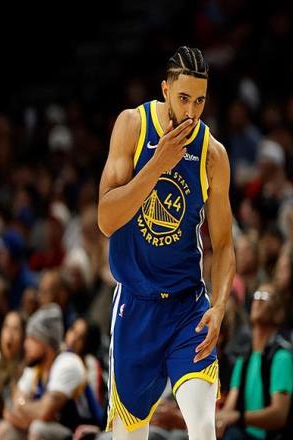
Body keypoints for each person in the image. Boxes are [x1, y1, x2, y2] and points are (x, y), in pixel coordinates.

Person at [98, 46, 235, 439]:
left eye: (200, 101)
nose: (191, 112)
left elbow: (224, 244)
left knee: (203, 427)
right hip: (135, 307)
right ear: (165, 90)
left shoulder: (212, 154)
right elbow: (106, 220)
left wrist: (220, 306)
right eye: (183, 98)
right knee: (129, 435)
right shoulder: (132, 126)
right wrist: (157, 165)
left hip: (186, 307)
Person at [0, 303, 87, 440]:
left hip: (79, 433)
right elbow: (10, 410)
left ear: (45, 342)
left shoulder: (68, 363)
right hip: (46, 428)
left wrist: (24, 407)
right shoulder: (35, 367)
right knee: (4, 429)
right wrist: (29, 409)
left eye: (32, 339)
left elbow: (44, 412)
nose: (26, 344)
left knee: (38, 428)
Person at [216, 283, 293, 439]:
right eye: (256, 296)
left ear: (279, 313)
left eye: (265, 297)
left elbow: (279, 415)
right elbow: (228, 410)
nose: (258, 301)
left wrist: (239, 417)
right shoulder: (244, 358)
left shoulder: (281, 357)